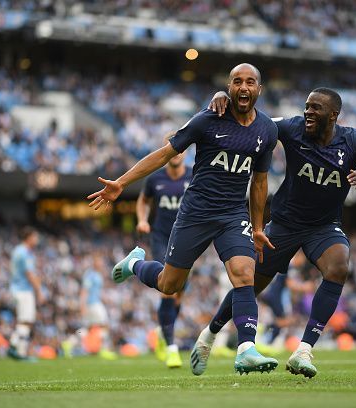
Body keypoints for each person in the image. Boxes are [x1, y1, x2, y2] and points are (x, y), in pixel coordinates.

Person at [191, 87, 356, 378]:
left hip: (324, 227)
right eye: (306, 106)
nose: (308, 112)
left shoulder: (354, 140)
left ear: (333, 115)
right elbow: (255, 122)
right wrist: (223, 97)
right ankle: (209, 335)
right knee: (250, 284)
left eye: (315, 108)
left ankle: (304, 349)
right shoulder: (292, 128)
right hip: (284, 224)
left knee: (339, 266)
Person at [87, 63, 279, 374]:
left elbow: (259, 182)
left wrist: (257, 228)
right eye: (236, 82)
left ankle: (246, 348)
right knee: (169, 284)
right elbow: (164, 153)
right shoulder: (207, 120)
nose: (243, 87)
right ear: (229, 88)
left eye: (250, 82)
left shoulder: (268, 130)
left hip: (232, 214)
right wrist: (122, 182)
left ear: (259, 89)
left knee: (245, 275)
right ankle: (135, 263)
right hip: (196, 213)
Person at [136, 132, 193, 368]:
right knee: (168, 288)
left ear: (186, 152)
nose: (177, 152)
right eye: (173, 148)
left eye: (181, 149)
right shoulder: (155, 179)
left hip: (187, 240)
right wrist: (142, 219)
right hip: (161, 238)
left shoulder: (194, 175)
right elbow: (142, 200)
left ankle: (163, 332)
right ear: (166, 150)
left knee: (178, 293)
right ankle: (171, 346)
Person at [8, 226, 43, 360]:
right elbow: (29, 274)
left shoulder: (18, 251)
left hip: (17, 289)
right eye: (35, 237)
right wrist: (39, 291)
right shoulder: (25, 252)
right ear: (29, 237)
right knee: (26, 321)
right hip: (23, 290)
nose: (37, 239)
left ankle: (20, 351)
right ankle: (14, 345)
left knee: (25, 321)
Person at [81, 255, 117, 360]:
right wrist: (82, 305)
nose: (101, 264)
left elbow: (96, 291)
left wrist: (105, 299)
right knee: (104, 325)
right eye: (99, 261)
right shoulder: (90, 275)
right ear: (94, 262)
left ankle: (70, 343)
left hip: (95, 302)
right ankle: (104, 349)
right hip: (93, 304)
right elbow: (84, 290)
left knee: (89, 328)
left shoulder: (97, 274)